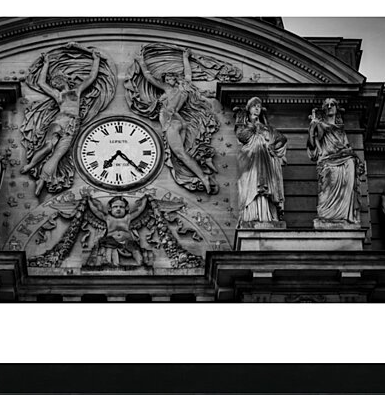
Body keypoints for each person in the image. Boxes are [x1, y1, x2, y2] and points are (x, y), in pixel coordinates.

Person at [134, 48, 217, 193]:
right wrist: (185, 58)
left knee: (180, 154)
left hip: (172, 122)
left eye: (168, 78)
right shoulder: (184, 88)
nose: (167, 81)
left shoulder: (169, 89)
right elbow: (188, 75)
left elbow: (149, 78)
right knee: (181, 154)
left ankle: (203, 177)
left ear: (171, 80)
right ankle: (202, 167)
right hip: (179, 122)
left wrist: (141, 62)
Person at [21, 46, 102, 196]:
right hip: (60, 121)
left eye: (57, 81)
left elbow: (91, 77)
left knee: (58, 154)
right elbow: (41, 83)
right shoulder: (59, 95)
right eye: (54, 82)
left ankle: (42, 180)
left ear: (63, 80)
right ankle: (31, 164)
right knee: (48, 146)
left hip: (73, 125)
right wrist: (45, 64)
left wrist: (96, 60)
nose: (55, 84)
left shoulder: (76, 91)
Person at [306, 98, 362, 226]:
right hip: (328, 160)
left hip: (344, 159)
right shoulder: (320, 125)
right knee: (328, 189)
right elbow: (312, 142)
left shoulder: (340, 127)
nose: (330, 107)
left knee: (347, 186)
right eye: (327, 105)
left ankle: (345, 217)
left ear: (337, 108)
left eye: (332, 105)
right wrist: (312, 127)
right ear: (324, 109)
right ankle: (328, 216)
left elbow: (345, 145)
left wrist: (352, 155)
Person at [236, 97, 287, 225]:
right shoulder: (245, 125)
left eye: (259, 106)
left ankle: (268, 215)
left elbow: (282, 139)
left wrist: (272, 148)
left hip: (266, 162)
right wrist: (252, 125)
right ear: (248, 110)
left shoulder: (267, 128)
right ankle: (252, 214)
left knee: (265, 187)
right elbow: (242, 136)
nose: (257, 108)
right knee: (253, 186)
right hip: (250, 162)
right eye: (254, 106)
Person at [85, 195, 150, 267]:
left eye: (121, 207)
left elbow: (139, 210)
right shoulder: (107, 218)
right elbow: (95, 211)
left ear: (126, 208)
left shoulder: (128, 218)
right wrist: (89, 201)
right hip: (111, 243)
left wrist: (145, 200)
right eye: (115, 207)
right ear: (110, 208)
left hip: (128, 244)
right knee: (109, 262)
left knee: (140, 261)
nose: (118, 209)